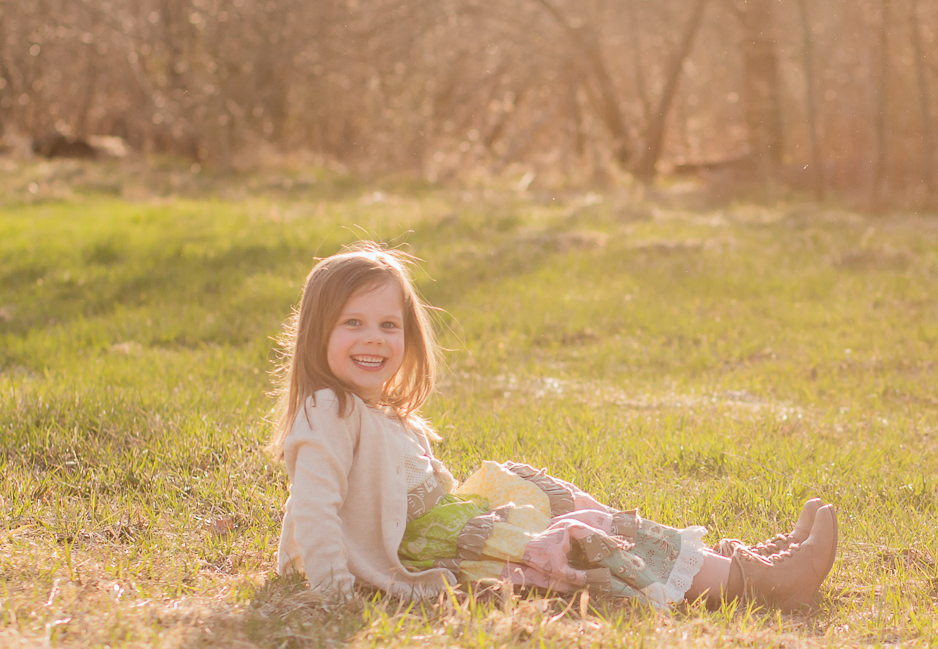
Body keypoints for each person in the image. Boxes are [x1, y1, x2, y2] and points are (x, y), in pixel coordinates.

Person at [269, 244, 838, 609]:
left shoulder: (380, 414)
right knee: (580, 539)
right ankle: (749, 583)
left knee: (546, 493)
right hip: (433, 553)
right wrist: (333, 593)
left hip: (448, 530)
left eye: (388, 325)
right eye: (353, 323)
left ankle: (746, 563)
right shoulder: (328, 410)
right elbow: (314, 506)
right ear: (318, 333)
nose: (374, 338)